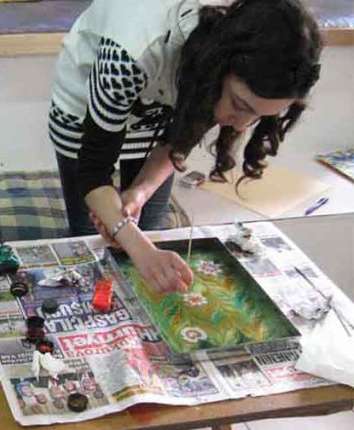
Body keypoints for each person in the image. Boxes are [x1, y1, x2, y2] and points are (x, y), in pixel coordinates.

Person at [49, 0, 321, 294]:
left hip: (159, 107)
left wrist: (139, 194)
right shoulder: (131, 52)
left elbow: (179, 139)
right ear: (216, 66)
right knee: (93, 244)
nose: (241, 126)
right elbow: (92, 173)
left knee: (147, 228)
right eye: (240, 105)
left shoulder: (230, 61)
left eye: (258, 115)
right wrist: (134, 243)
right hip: (84, 109)